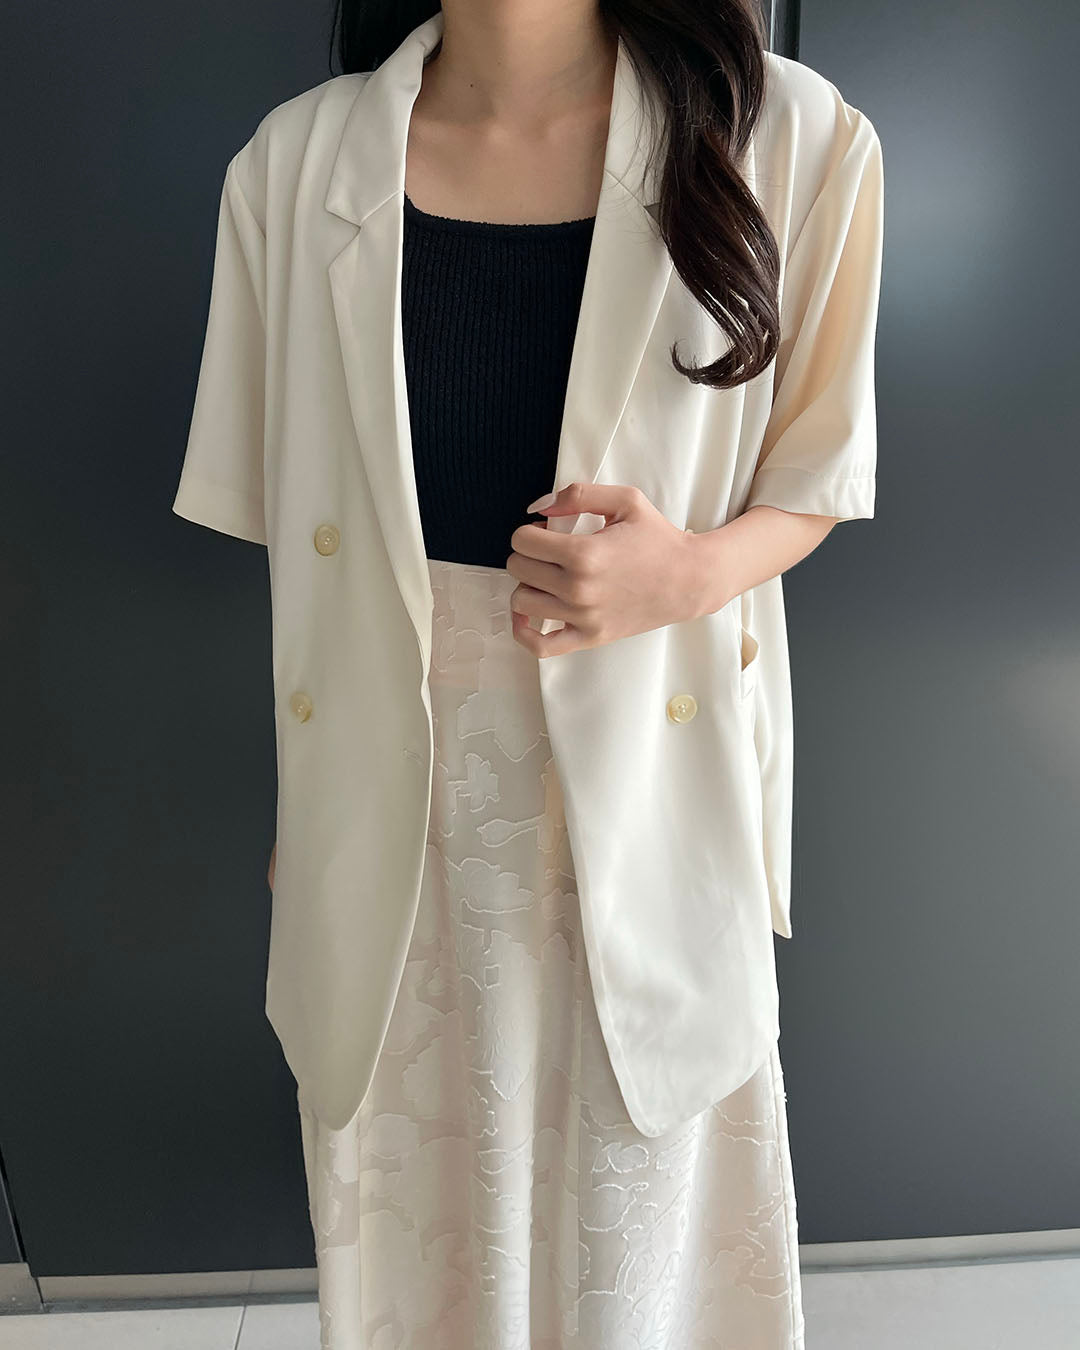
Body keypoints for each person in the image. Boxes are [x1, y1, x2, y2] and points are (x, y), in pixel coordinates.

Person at [174, 2, 884, 1345]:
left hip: (648, 761)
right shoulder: (293, 163)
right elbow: (313, 549)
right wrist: (304, 804)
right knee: (420, 1219)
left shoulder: (786, 134)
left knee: (641, 1227)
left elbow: (819, 467)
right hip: (398, 786)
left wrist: (690, 574)